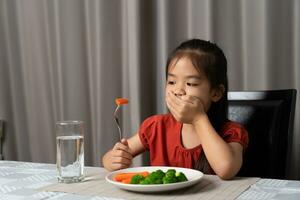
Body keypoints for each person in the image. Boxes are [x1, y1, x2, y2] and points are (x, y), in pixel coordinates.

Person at [102, 39, 248, 180]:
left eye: (191, 83)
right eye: (171, 82)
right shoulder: (156, 127)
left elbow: (226, 169)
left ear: (216, 93)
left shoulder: (231, 132)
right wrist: (112, 159)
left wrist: (199, 119)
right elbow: (109, 158)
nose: (178, 90)